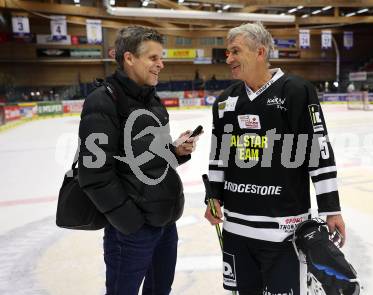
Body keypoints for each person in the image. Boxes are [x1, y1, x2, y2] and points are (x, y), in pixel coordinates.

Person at [205, 22, 345, 295]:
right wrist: (213, 198)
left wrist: (331, 208)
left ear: (260, 52)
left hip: (284, 230)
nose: (229, 59)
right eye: (227, 53)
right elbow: (218, 157)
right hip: (236, 228)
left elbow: (318, 149)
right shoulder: (224, 101)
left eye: (235, 51)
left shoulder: (296, 91)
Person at [78, 26, 200, 295]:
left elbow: (151, 162)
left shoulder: (153, 102)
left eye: (161, 57)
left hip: (165, 224)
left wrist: (176, 152)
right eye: (153, 58)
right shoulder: (102, 101)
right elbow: (94, 175)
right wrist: (130, 223)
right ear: (129, 58)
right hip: (132, 232)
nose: (161, 64)